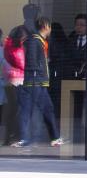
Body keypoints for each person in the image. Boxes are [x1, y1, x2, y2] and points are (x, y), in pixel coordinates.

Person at [13, 17, 62, 148]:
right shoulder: (34, 41)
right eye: (50, 27)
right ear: (46, 26)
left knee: (35, 110)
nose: (50, 30)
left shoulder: (39, 41)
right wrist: (38, 73)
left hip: (37, 81)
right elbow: (32, 61)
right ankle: (50, 138)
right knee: (39, 109)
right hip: (35, 82)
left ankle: (51, 137)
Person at [3, 26, 26, 145]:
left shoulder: (7, 46)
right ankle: (15, 136)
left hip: (9, 80)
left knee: (12, 110)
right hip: (17, 80)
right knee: (17, 110)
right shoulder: (16, 48)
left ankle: (9, 137)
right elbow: (21, 63)